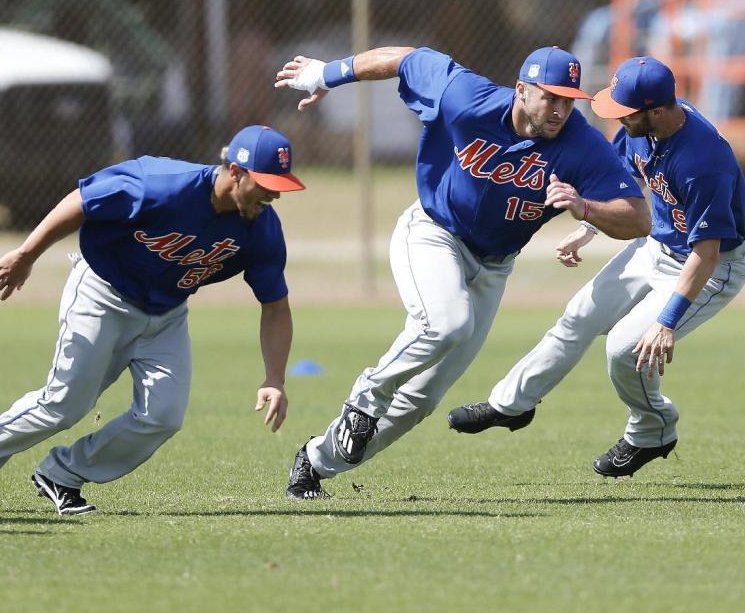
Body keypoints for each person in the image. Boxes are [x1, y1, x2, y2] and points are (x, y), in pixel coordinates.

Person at [274, 45, 650, 499]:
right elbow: (407, 58)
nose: (559, 109)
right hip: (433, 233)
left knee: (421, 399)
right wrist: (326, 74)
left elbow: (638, 217)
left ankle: (315, 461)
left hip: (493, 266)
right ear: (522, 91)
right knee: (447, 322)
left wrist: (585, 207)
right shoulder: (465, 95)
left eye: (568, 99)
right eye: (549, 97)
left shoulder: (580, 143)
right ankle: (366, 399)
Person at [0, 125, 304, 515]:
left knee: (163, 415)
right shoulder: (160, 184)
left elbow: (275, 305)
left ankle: (63, 473)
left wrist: (275, 378)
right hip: (103, 295)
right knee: (64, 405)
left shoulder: (262, 228)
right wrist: (27, 254)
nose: (274, 193)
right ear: (234, 171)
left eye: (280, 184)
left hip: (166, 315)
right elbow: (82, 201)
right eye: (265, 182)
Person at [447, 56, 745, 477]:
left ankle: (653, 431)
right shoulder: (642, 129)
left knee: (626, 349)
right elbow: (619, 189)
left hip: (711, 268)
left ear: (658, 111)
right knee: (578, 316)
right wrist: (590, 227)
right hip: (656, 247)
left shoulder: (703, 162)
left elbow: (708, 253)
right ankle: (510, 406)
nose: (617, 118)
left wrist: (666, 323)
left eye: (625, 111)